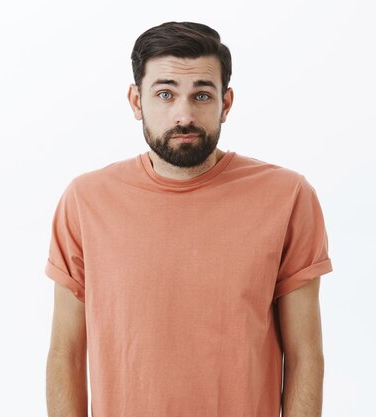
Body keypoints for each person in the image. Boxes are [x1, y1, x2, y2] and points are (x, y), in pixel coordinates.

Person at [44, 21, 333, 417]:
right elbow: (66, 354)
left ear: (225, 104)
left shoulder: (287, 197)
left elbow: (305, 357)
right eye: (165, 94)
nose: (184, 115)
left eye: (201, 94)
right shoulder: (85, 201)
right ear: (136, 101)